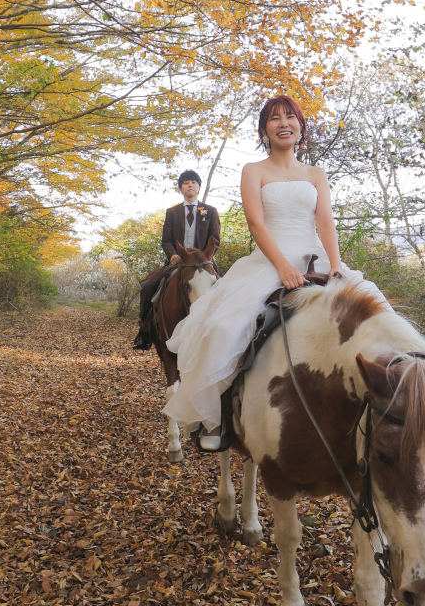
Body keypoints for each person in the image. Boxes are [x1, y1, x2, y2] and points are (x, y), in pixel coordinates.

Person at [163, 95, 389, 449]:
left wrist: (334, 265)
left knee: (379, 309)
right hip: (269, 260)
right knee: (224, 327)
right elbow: (256, 222)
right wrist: (283, 266)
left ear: (300, 126)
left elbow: (326, 221)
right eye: (274, 118)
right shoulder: (254, 170)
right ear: (264, 130)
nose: (283, 123)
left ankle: (394, 401)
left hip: (316, 255)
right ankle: (218, 417)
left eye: (290, 117)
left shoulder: (316, 173)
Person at [133, 170, 221, 351]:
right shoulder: (172, 212)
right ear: (181, 188)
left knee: (225, 289)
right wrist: (172, 255)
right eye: (186, 182)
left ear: (198, 187)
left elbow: (215, 239)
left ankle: (224, 333)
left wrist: (206, 256)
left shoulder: (210, 211)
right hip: (178, 262)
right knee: (148, 286)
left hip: (204, 264)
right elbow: (166, 239)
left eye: (194, 182)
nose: (190, 185)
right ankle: (145, 331)